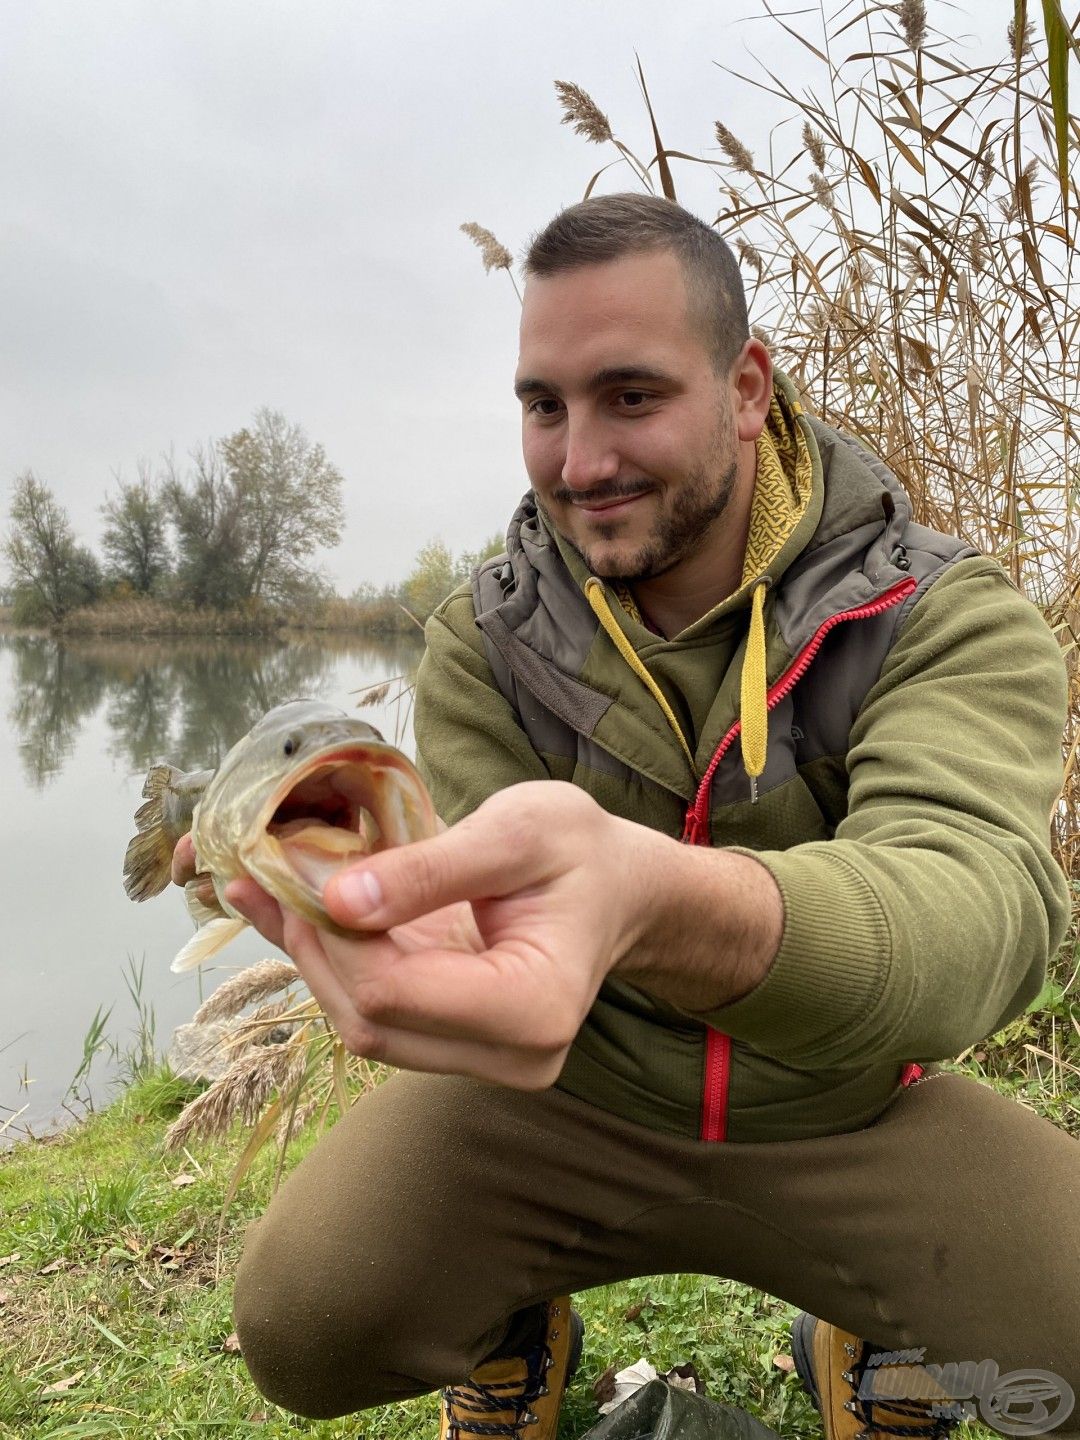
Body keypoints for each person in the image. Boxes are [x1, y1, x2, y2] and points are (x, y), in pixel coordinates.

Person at [175, 194, 1080, 1440]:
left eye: (632, 396)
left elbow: (973, 917)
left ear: (748, 388)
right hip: (567, 1103)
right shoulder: (481, 643)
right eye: (544, 406)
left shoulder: (946, 617)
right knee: (307, 1325)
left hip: (852, 1110)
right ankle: (512, 1342)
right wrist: (391, 929)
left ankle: (877, 1343)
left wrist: (655, 901)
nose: (579, 459)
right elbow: (478, 931)